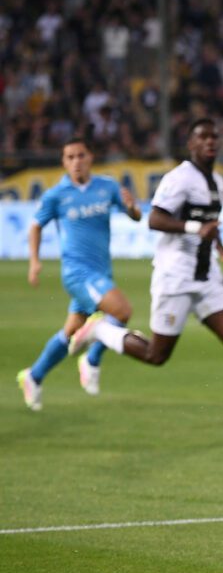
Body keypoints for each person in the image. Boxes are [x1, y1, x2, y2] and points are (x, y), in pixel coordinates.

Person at [69, 119, 223, 438]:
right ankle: (100, 329)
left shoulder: (217, 182)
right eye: (202, 137)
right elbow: (154, 218)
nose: (210, 142)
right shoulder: (179, 178)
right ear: (191, 145)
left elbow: (210, 223)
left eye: (214, 137)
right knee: (157, 355)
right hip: (175, 274)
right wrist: (195, 229)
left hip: (207, 274)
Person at [17, 137, 141, 410]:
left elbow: (135, 215)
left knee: (71, 332)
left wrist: (132, 208)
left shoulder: (107, 187)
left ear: (90, 158)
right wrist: (34, 262)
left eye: (80, 155)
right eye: (70, 157)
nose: (76, 162)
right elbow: (36, 227)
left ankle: (34, 376)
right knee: (121, 311)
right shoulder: (56, 195)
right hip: (77, 273)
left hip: (100, 272)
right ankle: (92, 359)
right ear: (63, 162)